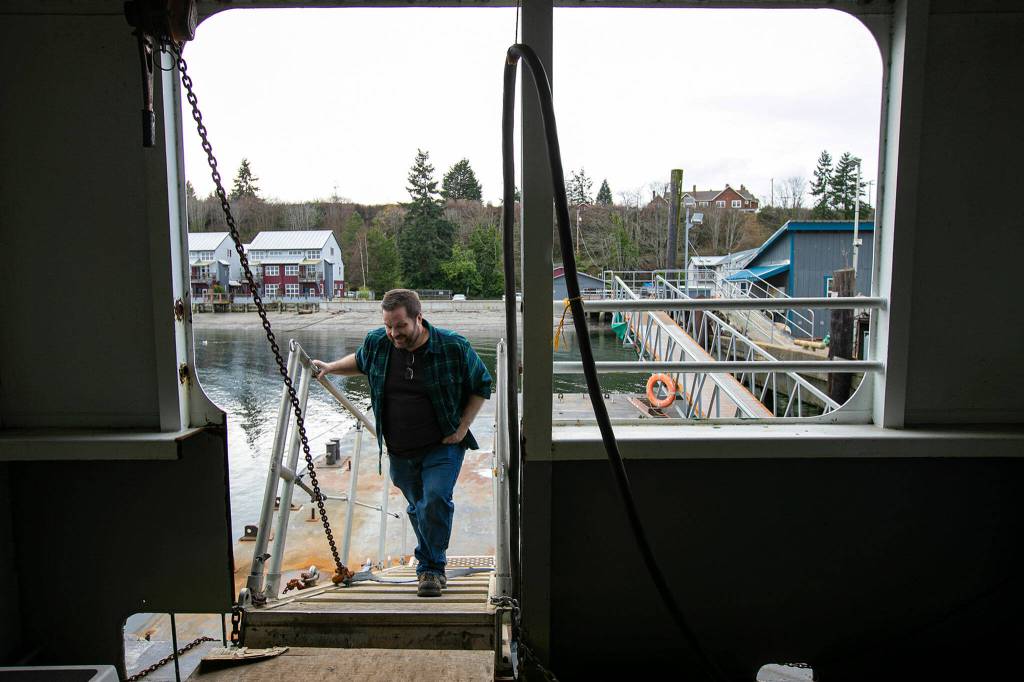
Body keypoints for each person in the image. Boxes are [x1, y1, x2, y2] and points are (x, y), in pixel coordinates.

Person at [312, 289, 492, 597]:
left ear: (418, 318)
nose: (394, 333)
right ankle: (430, 556)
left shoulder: (452, 346)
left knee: (435, 499)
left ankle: (431, 569)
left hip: (442, 443)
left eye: (401, 326)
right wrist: (329, 367)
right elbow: (360, 361)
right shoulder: (378, 343)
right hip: (399, 450)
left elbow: (482, 384)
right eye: (388, 326)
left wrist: (463, 427)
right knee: (418, 506)